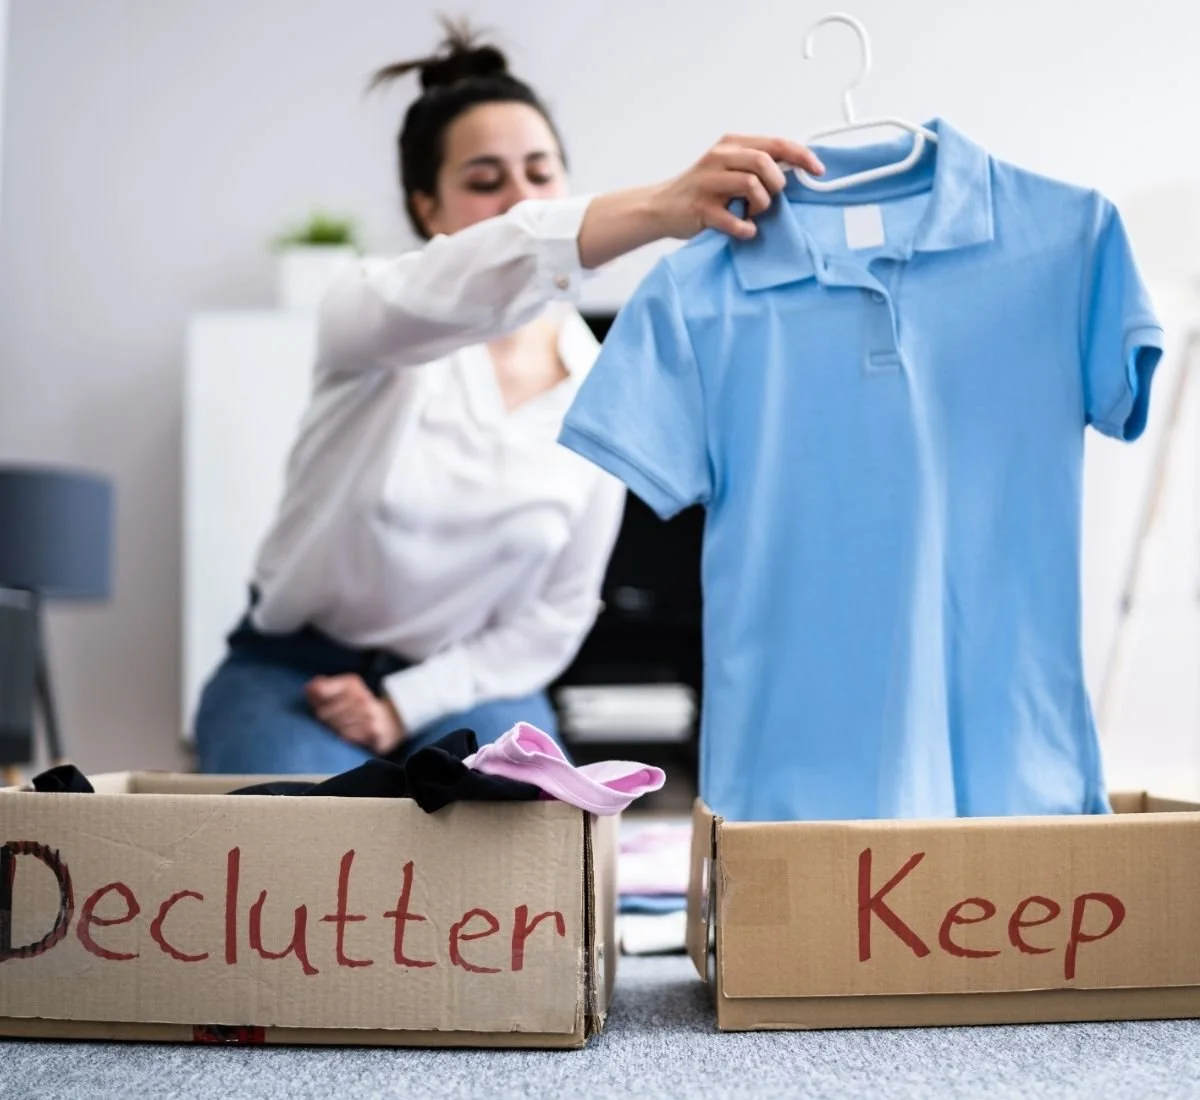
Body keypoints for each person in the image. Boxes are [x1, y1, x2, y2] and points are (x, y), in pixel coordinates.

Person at [192, 19, 824, 775]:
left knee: (533, 832)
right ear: (428, 209)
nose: (523, 199)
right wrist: (658, 208)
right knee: (303, 852)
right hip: (291, 673)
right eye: (486, 181)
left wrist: (405, 705)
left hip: (463, 687)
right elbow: (496, 263)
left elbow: (553, 618)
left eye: (541, 173)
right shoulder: (370, 316)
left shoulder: (603, 384)